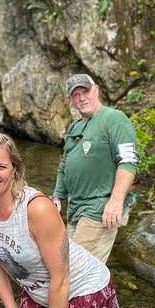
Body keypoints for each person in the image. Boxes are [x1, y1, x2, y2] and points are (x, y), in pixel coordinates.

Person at [0, 133, 123, 308]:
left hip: (81, 287)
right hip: (38, 291)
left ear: (15, 169)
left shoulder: (37, 208)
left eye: (1, 166)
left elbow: (61, 277)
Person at [51, 73, 139, 263]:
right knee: (66, 265)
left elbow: (128, 161)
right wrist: (58, 196)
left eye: (86, 91)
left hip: (99, 208)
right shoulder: (74, 127)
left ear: (96, 90)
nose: (82, 98)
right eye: (76, 94)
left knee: (78, 270)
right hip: (76, 208)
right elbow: (64, 165)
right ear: (70, 100)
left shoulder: (114, 119)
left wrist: (116, 201)